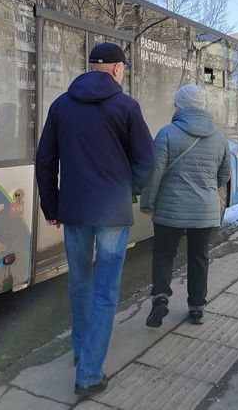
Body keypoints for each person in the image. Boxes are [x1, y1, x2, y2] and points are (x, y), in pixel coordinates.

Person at [35, 42, 155, 397]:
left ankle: (81, 350)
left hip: (74, 211)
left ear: (91, 67)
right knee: (105, 292)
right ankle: (89, 373)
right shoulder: (127, 106)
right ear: (118, 69)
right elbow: (147, 162)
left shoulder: (61, 106)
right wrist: (127, 188)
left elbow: (45, 160)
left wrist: (51, 206)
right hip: (112, 214)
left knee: (80, 285)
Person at [140, 84, 231, 327]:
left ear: (180, 105)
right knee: (199, 257)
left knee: (163, 254)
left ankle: (160, 299)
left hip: (171, 209)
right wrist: (206, 189)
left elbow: (155, 174)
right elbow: (224, 175)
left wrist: (149, 204)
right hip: (205, 211)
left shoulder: (167, 133)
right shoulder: (220, 137)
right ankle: (197, 307)